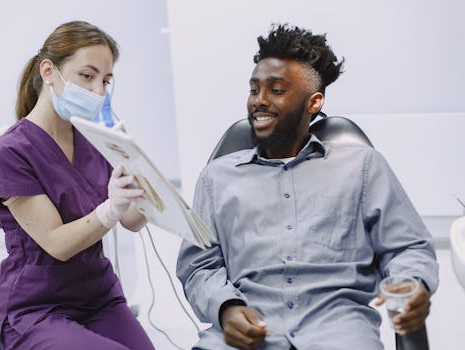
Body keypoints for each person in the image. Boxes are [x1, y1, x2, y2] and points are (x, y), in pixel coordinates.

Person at [177, 24, 439, 350]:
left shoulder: (363, 168)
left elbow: (407, 248)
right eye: (254, 89)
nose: (259, 101)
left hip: (339, 334)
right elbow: (199, 266)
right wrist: (226, 308)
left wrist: (411, 286)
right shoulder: (216, 178)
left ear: (313, 102)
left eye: (276, 90)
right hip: (247, 336)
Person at [0, 21, 155, 350]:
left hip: (99, 296)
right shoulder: (9, 152)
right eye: (87, 76)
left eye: (106, 80)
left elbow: (133, 221)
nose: (98, 92)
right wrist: (110, 208)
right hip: (37, 308)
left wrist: (149, 187)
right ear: (49, 71)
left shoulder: (95, 138)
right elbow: (57, 244)